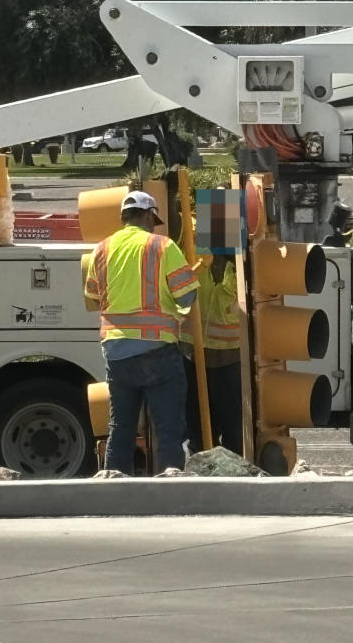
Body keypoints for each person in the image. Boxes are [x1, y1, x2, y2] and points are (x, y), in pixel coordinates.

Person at [83, 190, 199, 474]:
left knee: (120, 427)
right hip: (157, 350)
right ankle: (170, 489)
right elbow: (186, 297)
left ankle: (113, 487)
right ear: (149, 215)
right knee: (168, 428)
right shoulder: (162, 246)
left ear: (124, 218)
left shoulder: (101, 249)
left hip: (116, 353)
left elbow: (92, 296)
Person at [182, 254, 244, 456]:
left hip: (230, 359)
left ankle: (231, 473)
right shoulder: (193, 255)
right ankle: (202, 471)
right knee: (197, 426)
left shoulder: (243, 265)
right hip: (193, 356)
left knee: (232, 427)